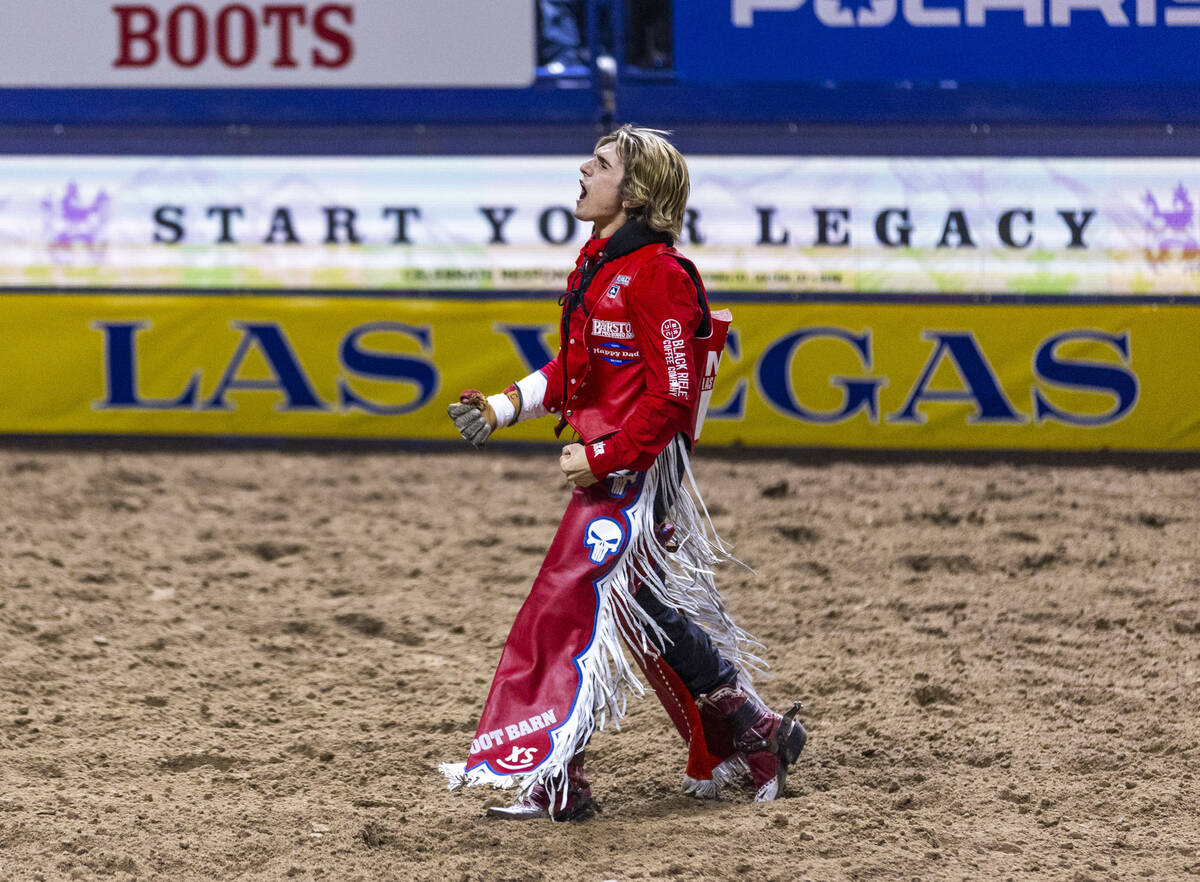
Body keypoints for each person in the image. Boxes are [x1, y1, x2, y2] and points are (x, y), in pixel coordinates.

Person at [439, 125, 805, 821]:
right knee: (624, 609)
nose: (583, 168)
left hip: (636, 474)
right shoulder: (600, 263)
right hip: (615, 470)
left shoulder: (660, 275)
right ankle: (750, 728)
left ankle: (562, 775)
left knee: (576, 609)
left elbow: (672, 396)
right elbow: (576, 370)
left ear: (634, 194)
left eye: (600, 163)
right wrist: (503, 405)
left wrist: (601, 458)